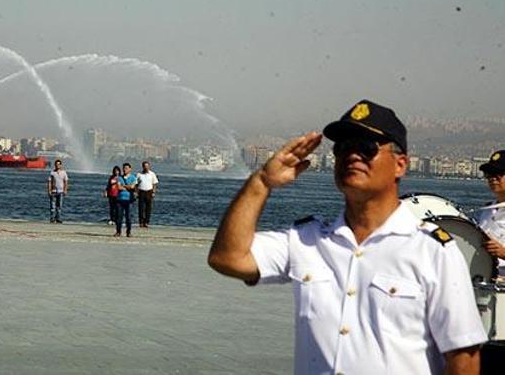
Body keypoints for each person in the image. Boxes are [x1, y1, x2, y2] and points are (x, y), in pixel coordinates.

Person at [208, 100, 486, 374]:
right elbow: (228, 258)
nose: (353, 156)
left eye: (366, 148)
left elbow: (463, 358)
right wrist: (261, 183)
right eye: (343, 148)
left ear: (400, 165)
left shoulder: (432, 250)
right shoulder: (308, 241)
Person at [477, 149, 505, 279]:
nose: (493, 179)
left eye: (498, 174)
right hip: (485, 279)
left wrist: (503, 253)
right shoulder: (487, 210)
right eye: (489, 174)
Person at [115, 162, 137, 237]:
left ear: (130, 169)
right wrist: (128, 187)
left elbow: (133, 187)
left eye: (126, 168)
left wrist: (124, 186)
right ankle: (118, 232)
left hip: (129, 200)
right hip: (120, 199)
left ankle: (128, 232)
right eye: (124, 168)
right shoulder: (119, 177)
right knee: (119, 217)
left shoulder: (133, 177)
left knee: (129, 217)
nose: (125, 170)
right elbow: (119, 188)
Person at [136, 161, 159, 228]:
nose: (146, 168)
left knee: (148, 208)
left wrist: (154, 192)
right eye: (144, 166)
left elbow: (154, 184)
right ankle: (141, 222)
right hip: (141, 192)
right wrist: (136, 192)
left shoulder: (152, 174)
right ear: (142, 167)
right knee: (141, 208)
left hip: (149, 192)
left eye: (147, 166)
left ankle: (146, 222)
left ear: (149, 166)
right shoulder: (139, 174)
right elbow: (136, 184)